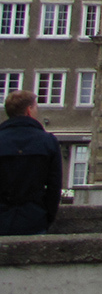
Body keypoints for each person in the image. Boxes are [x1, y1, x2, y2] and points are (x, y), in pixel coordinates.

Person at [0, 90, 62, 236]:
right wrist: (47, 216)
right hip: (34, 217)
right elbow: (54, 186)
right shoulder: (47, 141)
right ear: (29, 110)